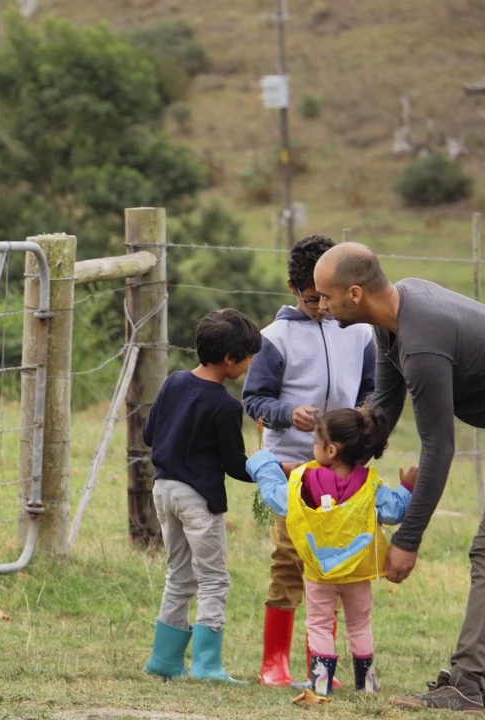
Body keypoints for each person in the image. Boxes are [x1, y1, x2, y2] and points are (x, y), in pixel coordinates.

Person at [314, 242, 485, 712]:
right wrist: (333, 463)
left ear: (354, 293)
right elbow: (380, 411)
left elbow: (440, 447)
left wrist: (407, 538)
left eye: (326, 296)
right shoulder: (395, 319)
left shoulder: (421, 344)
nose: (320, 305)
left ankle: (466, 684)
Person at [242, 235, 376, 686]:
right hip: (292, 470)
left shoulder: (360, 332)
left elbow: (372, 389)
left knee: (334, 565)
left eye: (328, 298)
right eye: (312, 299)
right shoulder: (274, 338)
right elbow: (254, 398)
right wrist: (285, 414)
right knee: (288, 560)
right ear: (292, 289)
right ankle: (273, 661)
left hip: (344, 474)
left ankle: (322, 663)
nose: (322, 308)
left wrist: (366, 416)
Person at [247, 406, 415, 695]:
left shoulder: (306, 481)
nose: (313, 448)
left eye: (315, 442)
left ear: (332, 450)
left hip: (319, 572)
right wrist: (407, 487)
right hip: (357, 573)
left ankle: (321, 683)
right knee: (360, 624)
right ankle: (367, 683)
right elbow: (394, 510)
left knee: (320, 624)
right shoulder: (370, 484)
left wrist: (264, 463)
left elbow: (277, 499)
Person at [143, 308, 263, 683]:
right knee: (213, 578)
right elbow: (234, 465)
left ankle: (164, 660)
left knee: (178, 575)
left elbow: (149, 435)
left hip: (163, 491)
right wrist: (268, 467)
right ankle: (207, 665)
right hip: (198, 500)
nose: (250, 363)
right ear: (230, 359)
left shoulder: (174, 382)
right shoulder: (227, 406)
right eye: (248, 356)